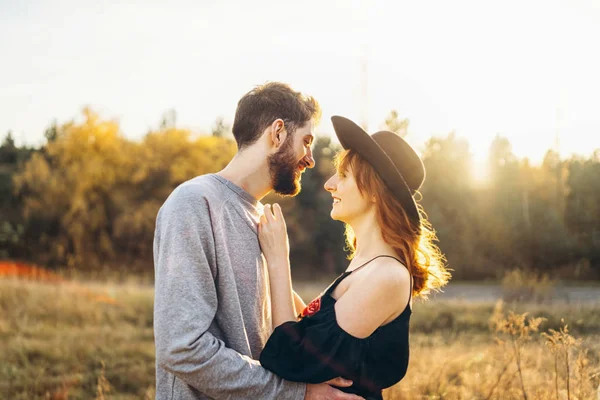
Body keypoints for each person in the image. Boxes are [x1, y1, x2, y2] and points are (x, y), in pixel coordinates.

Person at [153, 83, 364, 399]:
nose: (310, 159)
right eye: (305, 141)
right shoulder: (194, 203)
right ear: (277, 133)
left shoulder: (265, 223)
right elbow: (183, 348)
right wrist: (297, 394)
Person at [257, 115, 451, 400]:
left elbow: (291, 357)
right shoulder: (366, 265)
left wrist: (277, 259)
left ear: (374, 190)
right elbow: (310, 329)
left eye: (344, 176)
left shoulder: (387, 276)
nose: (329, 184)